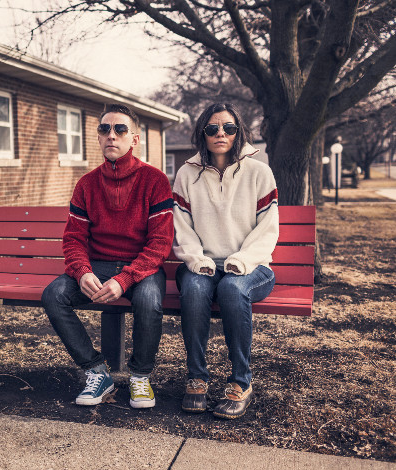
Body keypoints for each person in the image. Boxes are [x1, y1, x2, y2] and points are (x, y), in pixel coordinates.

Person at [41, 103, 174, 409]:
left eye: (120, 129)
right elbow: (74, 238)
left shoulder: (155, 181)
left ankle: (140, 376)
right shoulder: (86, 184)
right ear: (98, 137)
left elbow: (160, 243)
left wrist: (126, 278)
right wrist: (82, 271)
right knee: (54, 295)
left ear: (134, 139)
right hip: (97, 266)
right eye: (104, 129)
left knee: (149, 300)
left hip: (142, 267)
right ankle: (96, 372)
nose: (111, 135)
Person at [172, 102, 279, 419]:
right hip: (202, 265)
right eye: (213, 128)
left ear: (239, 131)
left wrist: (242, 262)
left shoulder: (259, 172)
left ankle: (241, 382)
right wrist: (197, 260)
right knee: (194, 290)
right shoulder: (186, 174)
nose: (221, 133)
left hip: (252, 268)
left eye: (229, 127)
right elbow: (183, 228)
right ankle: (197, 378)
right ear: (202, 133)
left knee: (233, 289)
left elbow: (267, 229)